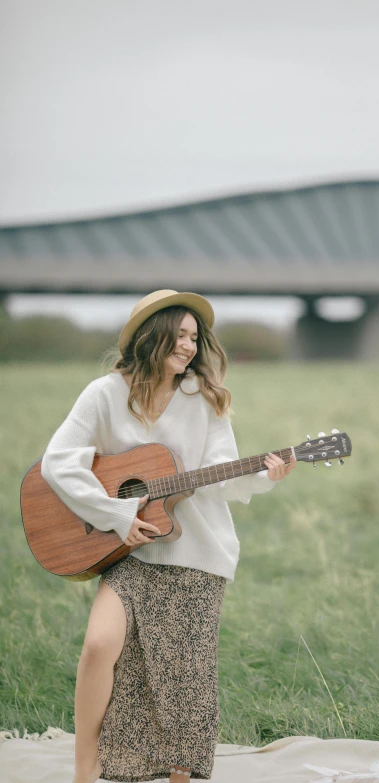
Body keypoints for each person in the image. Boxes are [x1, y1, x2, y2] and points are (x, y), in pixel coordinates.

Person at [41, 289, 297, 783]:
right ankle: (83, 770)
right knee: (98, 646)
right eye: (179, 335)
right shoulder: (105, 394)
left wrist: (266, 475)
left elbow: (221, 470)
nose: (188, 347)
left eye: (194, 338)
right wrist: (115, 513)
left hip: (196, 553)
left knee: (185, 683)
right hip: (129, 550)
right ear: (152, 336)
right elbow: (57, 463)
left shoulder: (203, 398)